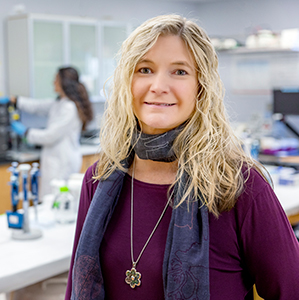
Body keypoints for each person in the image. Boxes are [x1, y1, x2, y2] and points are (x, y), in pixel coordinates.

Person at [65, 15, 299, 300]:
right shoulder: (99, 179)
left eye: (179, 72)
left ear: (202, 86)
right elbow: (75, 289)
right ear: (127, 81)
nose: (159, 86)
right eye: (145, 69)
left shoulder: (239, 186)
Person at [10, 66, 93, 198]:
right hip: (56, 159)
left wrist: (25, 132)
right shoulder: (60, 103)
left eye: (56, 79)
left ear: (64, 82)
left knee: (55, 200)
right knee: (52, 200)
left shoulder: (69, 107)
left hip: (62, 161)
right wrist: (15, 100)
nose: (53, 83)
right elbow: (37, 106)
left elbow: (49, 136)